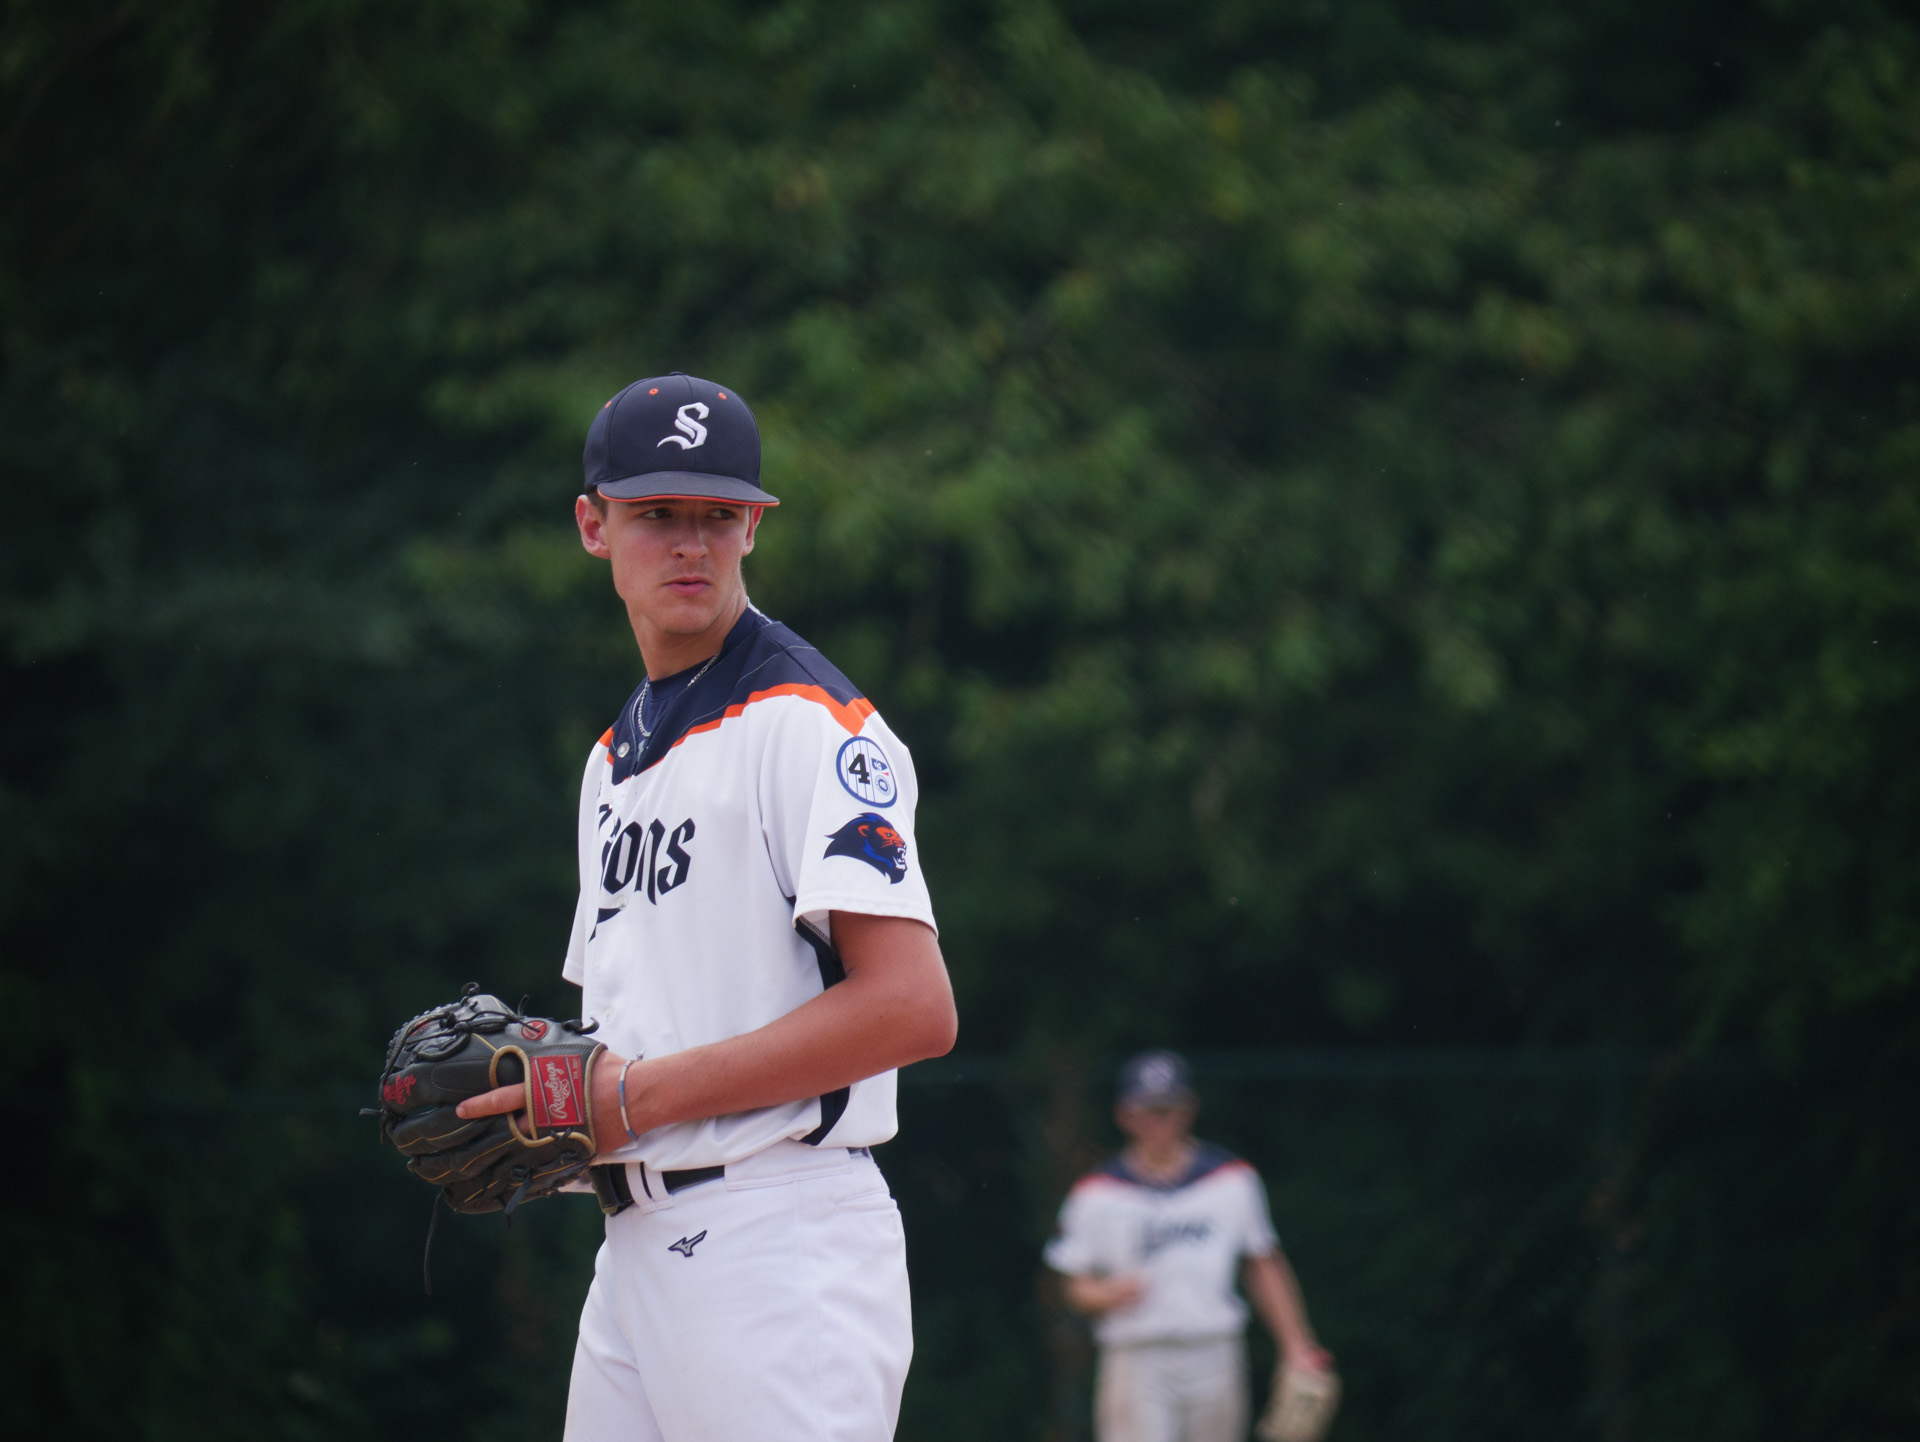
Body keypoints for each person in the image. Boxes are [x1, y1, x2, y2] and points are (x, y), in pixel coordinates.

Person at [454, 372, 958, 1441]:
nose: (691, 543)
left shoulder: (806, 722)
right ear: (593, 525)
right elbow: (646, 1028)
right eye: (656, 513)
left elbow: (912, 1008)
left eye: (718, 514)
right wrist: (554, 1110)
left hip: (778, 1237)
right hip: (637, 1245)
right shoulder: (613, 757)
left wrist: (630, 1100)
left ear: (753, 529)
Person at [1045, 1050, 1332, 1442]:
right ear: (1125, 1115)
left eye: (1168, 1109)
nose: (1159, 1121)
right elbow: (1074, 1284)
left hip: (1213, 1348)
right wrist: (1106, 1294)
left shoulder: (1230, 1180)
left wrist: (1297, 1345)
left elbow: (1262, 1263)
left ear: (1188, 1110)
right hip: (1138, 1352)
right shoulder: (1097, 1193)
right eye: (1149, 1110)